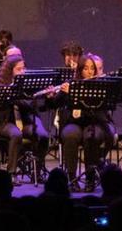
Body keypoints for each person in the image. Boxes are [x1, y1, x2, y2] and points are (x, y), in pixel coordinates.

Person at [48, 53, 115, 191]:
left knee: (92, 136)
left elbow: (106, 108)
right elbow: (54, 104)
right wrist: (57, 94)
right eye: (85, 68)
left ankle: (90, 177)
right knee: (70, 135)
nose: (89, 72)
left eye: (92, 69)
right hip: (74, 123)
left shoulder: (101, 85)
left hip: (95, 122)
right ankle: (71, 178)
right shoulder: (71, 84)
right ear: (80, 70)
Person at [0, 54, 50, 176]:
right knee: (15, 134)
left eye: (24, 68)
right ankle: (11, 172)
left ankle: (37, 170)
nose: (23, 72)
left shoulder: (27, 83)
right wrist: (12, 94)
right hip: (5, 121)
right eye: (19, 69)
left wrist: (42, 94)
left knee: (43, 135)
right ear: (9, 70)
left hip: (25, 120)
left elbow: (31, 105)